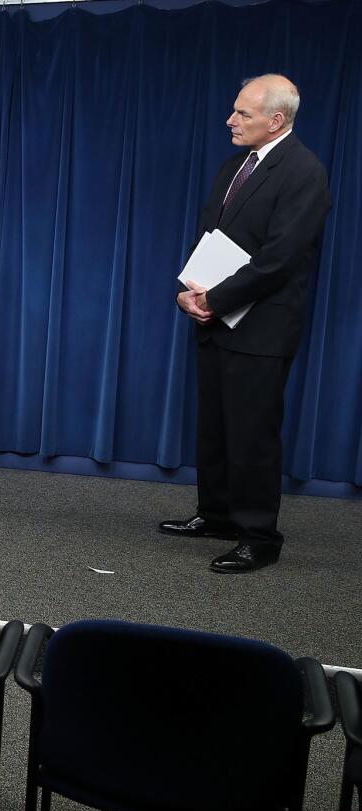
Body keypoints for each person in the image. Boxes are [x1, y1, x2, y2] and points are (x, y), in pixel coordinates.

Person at [160, 74, 330, 573]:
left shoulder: (304, 172)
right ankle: (214, 515)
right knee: (213, 426)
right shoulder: (236, 164)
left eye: (243, 114)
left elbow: (280, 258)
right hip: (215, 318)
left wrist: (216, 298)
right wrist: (191, 293)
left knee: (252, 434)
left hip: (261, 327)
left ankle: (259, 536)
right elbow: (210, 234)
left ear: (276, 120)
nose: (231, 121)